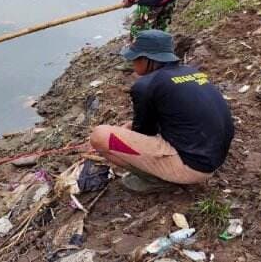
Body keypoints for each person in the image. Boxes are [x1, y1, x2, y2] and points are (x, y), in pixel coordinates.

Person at [90, 30, 234, 192]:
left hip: (193, 167)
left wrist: (123, 133)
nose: (132, 63)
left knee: (100, 136)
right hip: (213, 156)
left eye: (135, 58)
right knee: (127, 127)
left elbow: (145, 132)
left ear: (147, 60)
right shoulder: (191, 72)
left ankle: (156, 180)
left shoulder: (145, 85)